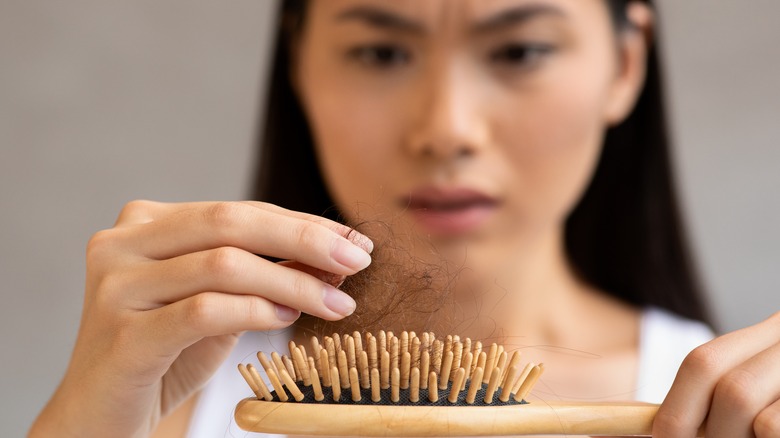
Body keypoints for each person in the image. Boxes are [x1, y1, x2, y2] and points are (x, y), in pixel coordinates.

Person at [30, 0, 780, 437]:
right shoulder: (164, 387)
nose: (446, 127)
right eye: (382, 52)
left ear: (624, 66)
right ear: (300, 61)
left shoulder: (729, 408)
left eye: (519, 49)